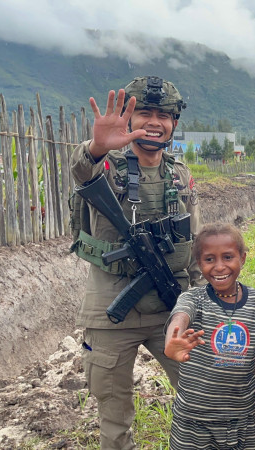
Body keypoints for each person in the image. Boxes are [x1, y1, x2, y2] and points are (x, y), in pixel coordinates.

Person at [70, 76, 200, 449]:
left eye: (164, 115)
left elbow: (195, 244)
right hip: (111, 313)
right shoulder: (104, 166)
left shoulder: (179, 174)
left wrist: (201, 303)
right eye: (145, 113)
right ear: (129, 118)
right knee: (114, 418)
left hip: (171, 310)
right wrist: (96, 147)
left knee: (200, 392)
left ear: (174, 122)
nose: (155, 122)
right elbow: (82, 171)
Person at [164, 222, 255, 449]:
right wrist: (173, 339)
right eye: (209, 259)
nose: (219, 267)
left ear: (243, 259)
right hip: (193, 421)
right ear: (199, 263)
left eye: (228, 257)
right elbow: (180, 316)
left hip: (239, 420)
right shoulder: (194, 299)